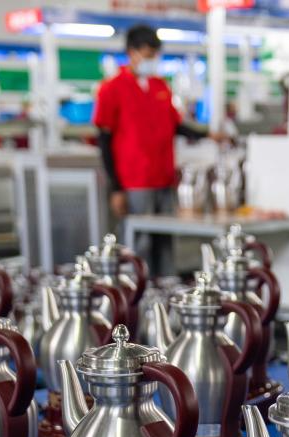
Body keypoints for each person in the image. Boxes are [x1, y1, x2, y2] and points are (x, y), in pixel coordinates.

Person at [94, 24, 223, 273]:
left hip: (164, 178)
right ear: (132, 52)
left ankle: (166, 289)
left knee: (165, 243)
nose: (152, 60)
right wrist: (116, 188)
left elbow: (175, 126)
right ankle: (136, 291)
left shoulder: (160, 87)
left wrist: (208, 135)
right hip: (135, 181)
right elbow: (104, 140)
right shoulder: (112, 89)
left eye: (155, 54)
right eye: (148, 54)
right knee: (138, 245)